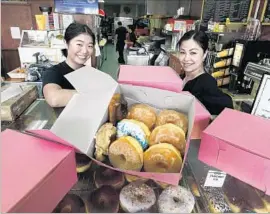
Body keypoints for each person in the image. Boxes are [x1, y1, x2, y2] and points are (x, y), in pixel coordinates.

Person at [178, 30, 233, 115]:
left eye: (193, 53)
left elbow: (227, 106)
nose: (186, 58)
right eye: (182, 52)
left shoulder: (206, 83)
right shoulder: (181, 77)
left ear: (204, 54)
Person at [42, 22, 95, 107]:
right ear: (66, 43)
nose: (85, 51)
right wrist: (94, 94)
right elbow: (54, 99)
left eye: (89, 46)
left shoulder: (91, 73)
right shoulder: (53, 72)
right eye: (79, 44)